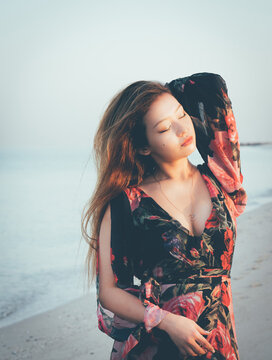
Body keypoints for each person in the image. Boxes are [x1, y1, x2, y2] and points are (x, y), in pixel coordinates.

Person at [81, 72, 247, 359]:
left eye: (182, 115)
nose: (183, 130)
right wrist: (167, 322)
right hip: (158, 346)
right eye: (164, 128)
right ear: (143, 146)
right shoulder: (126, 202)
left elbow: (212, 87)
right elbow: (109, 291)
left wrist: (166, 91)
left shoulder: (221, 177)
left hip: (219, 344)